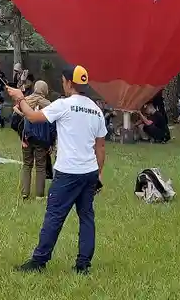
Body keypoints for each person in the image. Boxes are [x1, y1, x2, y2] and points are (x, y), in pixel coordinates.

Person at [7, 63, 106, 275]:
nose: (62, 85)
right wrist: (98, 174)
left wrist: (20, 97)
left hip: (68, 173)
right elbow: (101, 146)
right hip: (89, 173)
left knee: (54, 216)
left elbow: (32, 117)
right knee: (87, 217)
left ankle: (39, 261)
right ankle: (83, 265)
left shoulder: (64, 105)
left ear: (70, 83)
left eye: (63, 82)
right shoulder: (96, 110)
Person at [18, 80, 55, 201]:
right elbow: (52, 126)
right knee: (40, 167)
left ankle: (25, 193)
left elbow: (18, 121)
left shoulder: (26, 101)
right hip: (42, 140)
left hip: (27, 138)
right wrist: (51, 143)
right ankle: (39, 195)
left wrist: (22, 137)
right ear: (45, 90)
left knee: (27, 165)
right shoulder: (49, 105)